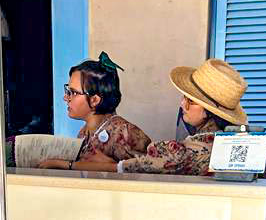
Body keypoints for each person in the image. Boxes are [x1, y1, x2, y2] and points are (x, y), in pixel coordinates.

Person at [39, 59, 248, 176]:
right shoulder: (217, 144)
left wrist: (67, 165)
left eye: (190, 101)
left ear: (95, 100)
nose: (182, 105)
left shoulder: (125, 133)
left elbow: (142, 168)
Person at [38, 52, 150, 170]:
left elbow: (151, 171)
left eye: (73, 92)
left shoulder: (125, 133)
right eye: (67, 91)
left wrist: (112, 167)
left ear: (94, 100)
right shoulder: (84, 132)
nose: (66, 98)